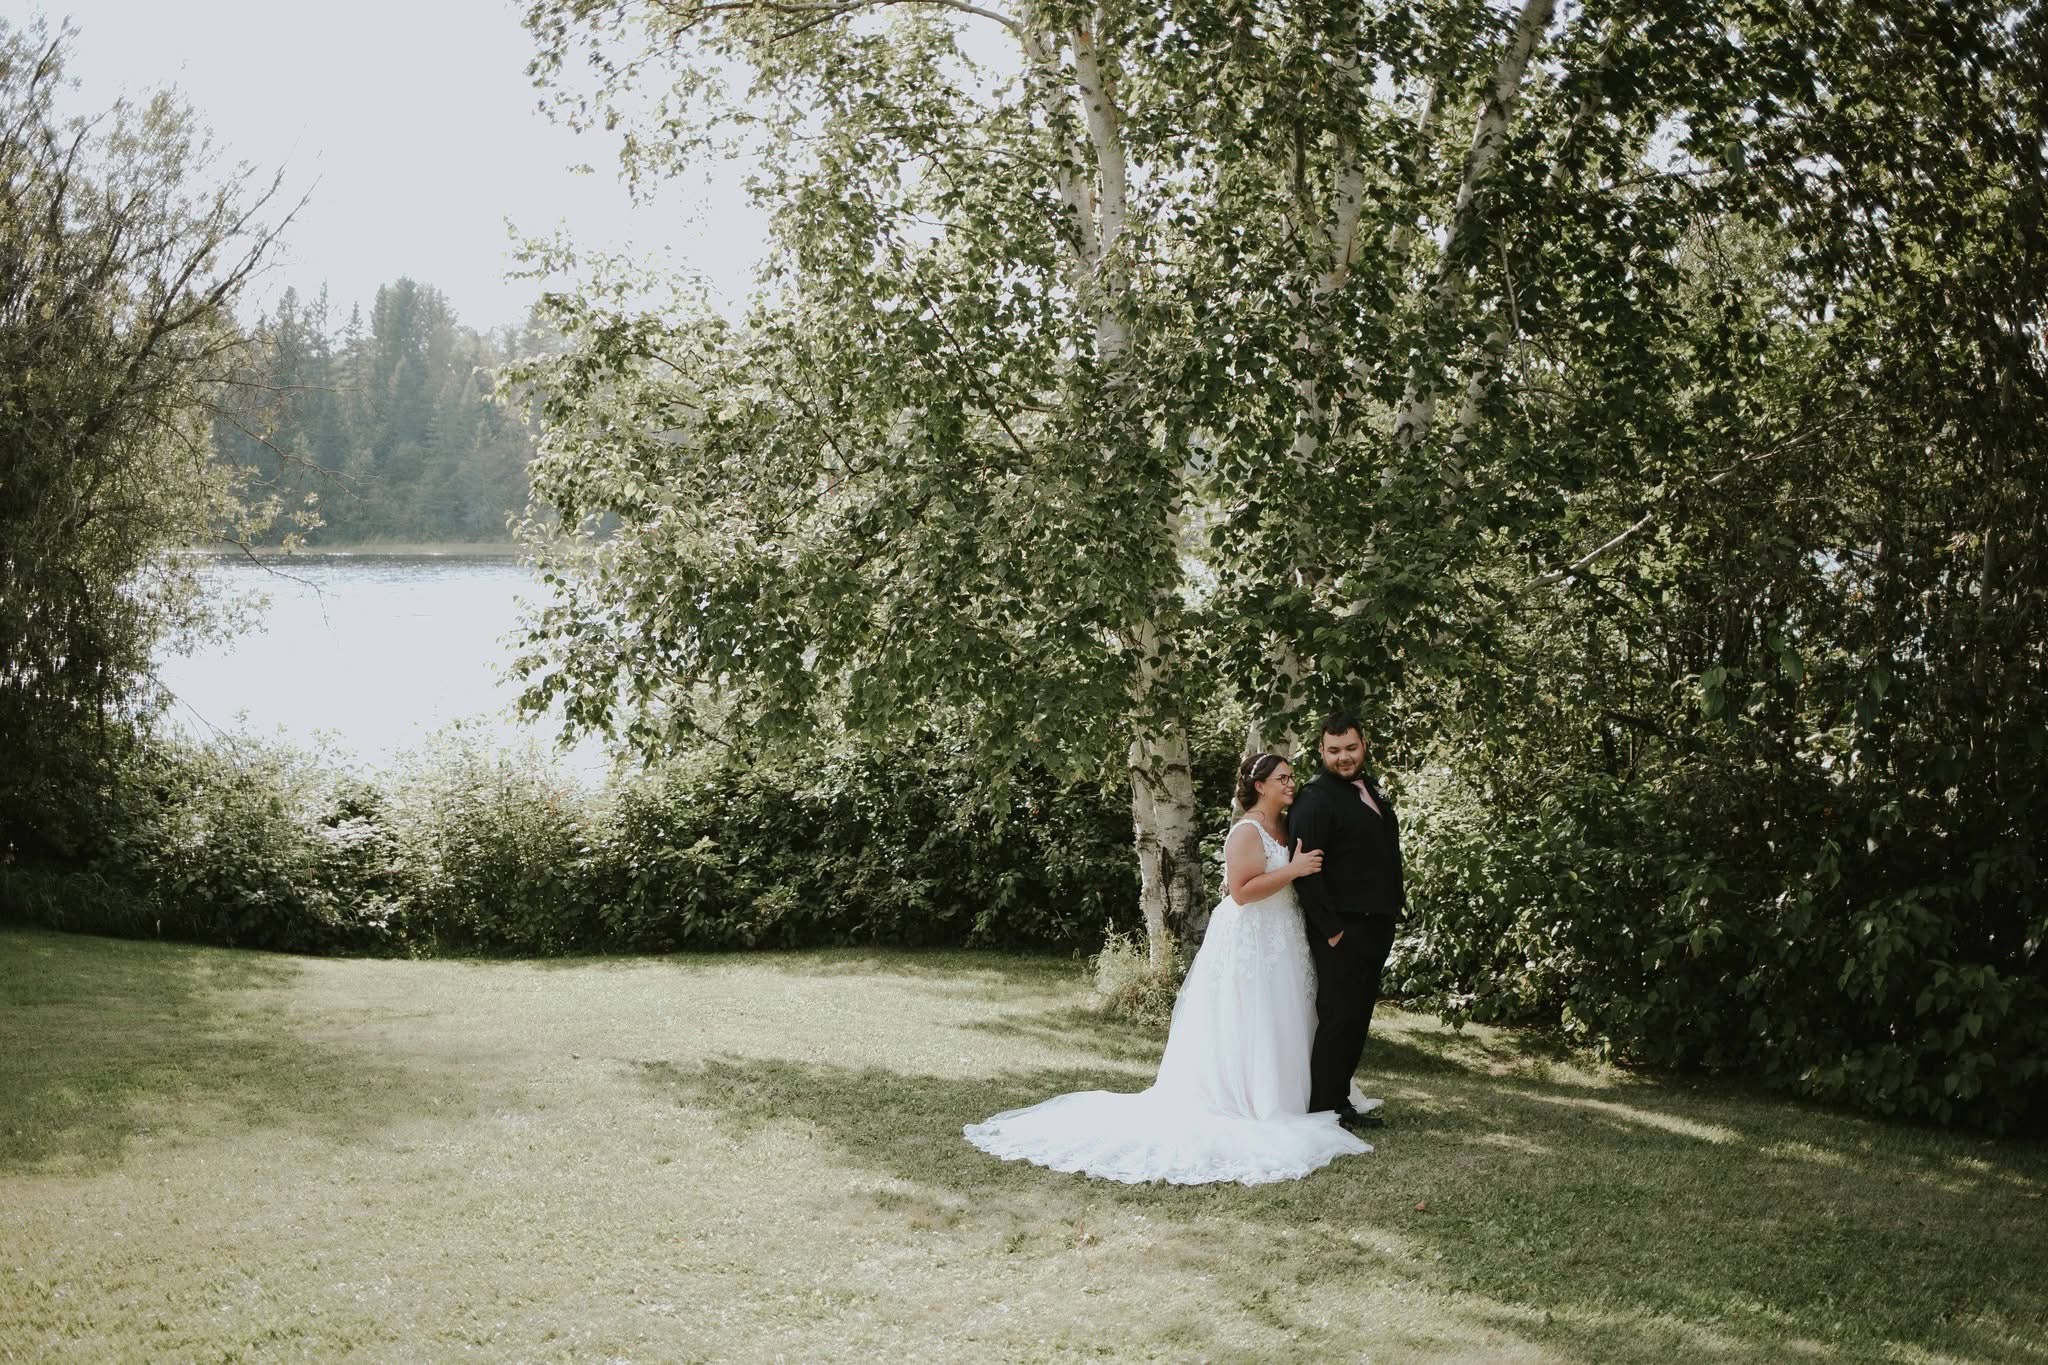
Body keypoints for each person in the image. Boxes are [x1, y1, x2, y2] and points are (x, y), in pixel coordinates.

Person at [962, 754, 1372, 1185]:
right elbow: (1241, 892)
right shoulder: (1246, 831)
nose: (1291, 783)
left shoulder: (1287, 826)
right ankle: (1254, 1100)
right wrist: (1293, 869)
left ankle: (1298, 1095)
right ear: (1259, 785)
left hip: (1285, 933)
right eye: (1282, 778)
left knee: (1288, 1013)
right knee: (1254, 1016)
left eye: (1291, 776)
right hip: (1252, 936)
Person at [1288, 712, 1405, 1131]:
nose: (1343, 757)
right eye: (1334, 750)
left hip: (1376, 923)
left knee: (1356, 1018)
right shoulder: (1315, 799)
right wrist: (1333, 930)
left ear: (1363, 746)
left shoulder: (1369, 789)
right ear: (1321, 751)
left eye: (1351, 748)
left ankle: (1340, 1102)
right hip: (1341, 929)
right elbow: (1304, 871)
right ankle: (1324, 1110)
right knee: (1338, 1018)